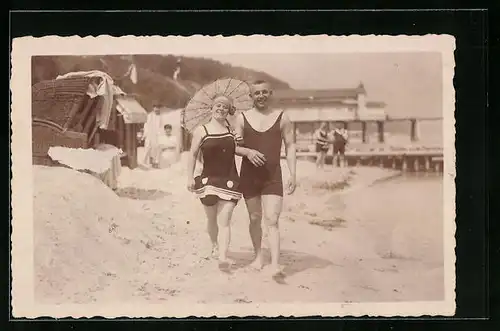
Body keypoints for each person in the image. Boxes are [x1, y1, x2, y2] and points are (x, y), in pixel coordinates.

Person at [233, 80, 297, 277]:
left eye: (264, 92)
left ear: (270, 94)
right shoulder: (241, 118)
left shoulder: (282, 117)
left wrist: (293, 174)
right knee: (255, 218)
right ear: (251, 97)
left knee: (272, 218)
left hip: (273, 174)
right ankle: (259, 256)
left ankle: (275, 264)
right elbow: (232, 146)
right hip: (249, 175)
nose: (260, 96)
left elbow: (291, 145)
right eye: (256, 93)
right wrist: (247, 152)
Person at [186, 95, 242, 270]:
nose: (221, 109)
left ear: (229, 111)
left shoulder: (233, 131)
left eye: (225, 107)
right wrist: (189, 177)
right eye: (218, 105)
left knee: (224, 220)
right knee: (211, 219)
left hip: (229, 179)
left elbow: (238, 149)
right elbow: (193, 154)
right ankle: (214, 246)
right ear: (211, 108)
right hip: (208, 180)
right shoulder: (201, 130)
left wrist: (241, 143)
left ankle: (223, 257)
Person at [142, 104, 163, 168]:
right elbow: (146, 125)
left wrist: (160, 134)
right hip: (150, 134)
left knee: (156, 148)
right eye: (155, 108)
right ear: (153, 108)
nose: (156, 109)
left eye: (158, 108)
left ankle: (155, 163)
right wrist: (145, 134)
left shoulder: (160, 117)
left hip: (156, 135)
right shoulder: (150, 116)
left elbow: (160, 127)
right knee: (148, 148)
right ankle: (144, 161)